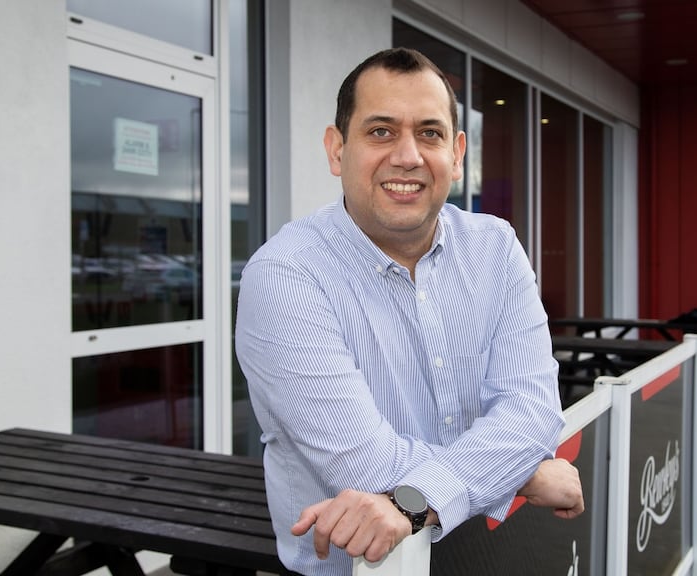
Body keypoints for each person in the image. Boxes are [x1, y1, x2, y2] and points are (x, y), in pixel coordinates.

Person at [235, 47, 583, 576]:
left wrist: (426, 494)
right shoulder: (285, 276)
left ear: (457, 153)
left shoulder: (495, 248)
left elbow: (531, 411)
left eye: (429, 133)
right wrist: (522, 476)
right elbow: (366, 466)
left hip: (486, 556)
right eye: (380, 131)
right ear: (336, 149)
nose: (407, 156)